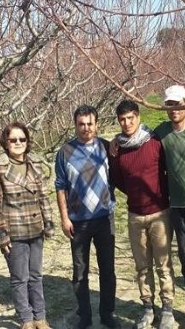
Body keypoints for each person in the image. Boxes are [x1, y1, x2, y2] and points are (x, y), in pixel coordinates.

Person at [109, 100, 175, 329]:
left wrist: (158, 194)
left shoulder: (155, 142)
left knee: (163, 264)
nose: (127, 123)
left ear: (138, 117)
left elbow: (167, 170)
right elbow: (118, 180)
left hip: (159, 212)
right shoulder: (118, 149)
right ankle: (148, 307)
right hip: (135, 215)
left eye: (131, 118)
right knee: (142, 266)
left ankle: (167, 309)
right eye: (122, 120)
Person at [55, 105, 120, 329]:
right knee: (80, 271)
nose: (86, 128)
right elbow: (60, 186)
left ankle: (107, 314)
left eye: (90, 123)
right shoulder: (65, 152)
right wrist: (64, 218)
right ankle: (84, 315)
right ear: (75, 125)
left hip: (104, 218)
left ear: (97, 124)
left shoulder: (105, 146)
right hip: (78, 220)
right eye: (81, 124)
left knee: (108, 271)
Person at [0, 122, 55, 329]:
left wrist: (49, 222)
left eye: (22, 139)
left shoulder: (35, 163)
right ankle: (26, 319)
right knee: (20, 278)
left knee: (36, 276)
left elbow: (43, 195)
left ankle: (40, 317)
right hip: (14, 230)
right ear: (5, 143)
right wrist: (1, 235)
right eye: (13, 139)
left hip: (35, 228)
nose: (18, 143)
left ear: (27, 141)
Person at [153, 85, 185, 328]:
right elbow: (141, 141)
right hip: (177, 206)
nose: (174, 109)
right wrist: (114, 145)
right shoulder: (162, 132)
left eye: (178, 104)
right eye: (169, 105)